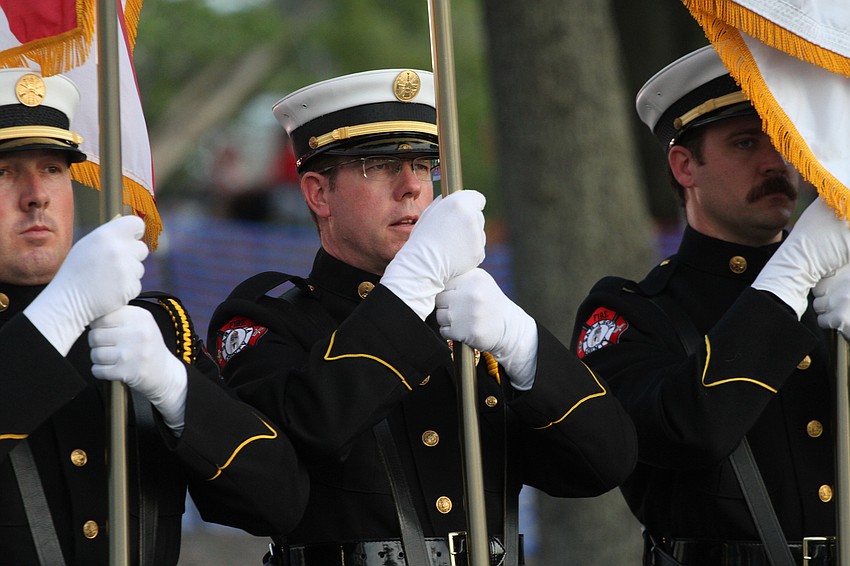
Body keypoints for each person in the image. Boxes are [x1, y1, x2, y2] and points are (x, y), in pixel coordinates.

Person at [208, 68, 638, 565]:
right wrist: (411, 286)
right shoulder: (268, 318)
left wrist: (524, 346)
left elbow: (605, 463)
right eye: (379, 165)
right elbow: (310, 430)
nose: (412, 187)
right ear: (318, 193)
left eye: (424, 164)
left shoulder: (467, 321)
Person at [0, 67, 308, 565]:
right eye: (5, 171)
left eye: (54, 168)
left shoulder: (153, 326)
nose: (36, 194)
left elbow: (281, 503)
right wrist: (61, 312)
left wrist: (178, 389)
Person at [570, 45, 850, 565]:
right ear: (684, 166)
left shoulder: (834, 292)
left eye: (785, 138)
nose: (775, 160)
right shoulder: (627, 314)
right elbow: (691, 430)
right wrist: (792, 271)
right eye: (746, 142)